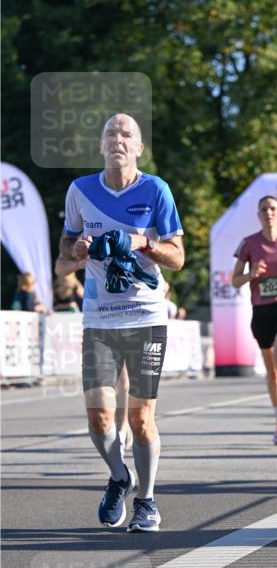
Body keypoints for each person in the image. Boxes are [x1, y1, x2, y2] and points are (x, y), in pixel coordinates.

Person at [60, 112, 184, 531]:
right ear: (100, 146)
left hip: (147, 316)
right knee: (98, 419)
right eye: (110, 133)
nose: (118, 139)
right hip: (99, 319)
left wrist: (143, 242)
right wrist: (75, 251)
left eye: (126, 133)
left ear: (138, 148)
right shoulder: (79, 191)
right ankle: (119, 475)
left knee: (140, 418)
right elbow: (63, 256)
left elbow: (179, 257)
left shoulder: (156, 190)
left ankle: (147, 501)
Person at [232, 195, 277, 446]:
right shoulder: (249, 244)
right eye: (263, 209)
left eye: (273, 208)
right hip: (261, 311)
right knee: (272, 371)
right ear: (258, 215)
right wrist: (251, 274)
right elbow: (235, 280)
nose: (268, 212)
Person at [54, 250, 132, 456]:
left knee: (123, 378)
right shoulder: (85, 244)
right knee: (103, 386)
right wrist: (78, 261)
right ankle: (114, 428)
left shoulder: (127, 241)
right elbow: (61, 266)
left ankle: (123, 429)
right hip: (97, 322)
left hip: (125, 313)